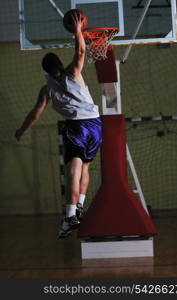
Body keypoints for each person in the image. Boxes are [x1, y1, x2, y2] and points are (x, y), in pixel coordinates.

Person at [15, 12, 102, 238]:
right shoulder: (74, 72)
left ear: (46, 71)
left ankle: (70, 215)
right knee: (85, 168)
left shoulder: (47, 89)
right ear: (60, 64)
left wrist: (21, 130)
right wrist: (78, 32)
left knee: (73, 168)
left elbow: (35, 113)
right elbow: (81, 51)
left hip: (76, 128)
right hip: (95, 124)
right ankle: (80, 206)